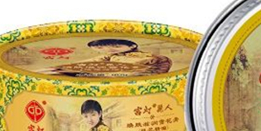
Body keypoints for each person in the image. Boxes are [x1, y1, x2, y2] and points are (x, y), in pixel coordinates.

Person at [39, 39, 172, 77]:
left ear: (132, 46)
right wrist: (58, 68)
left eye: (116, 46)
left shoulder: (152, 57)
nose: (110, 50)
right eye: (100, 48)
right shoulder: (111, 56)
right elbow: (92, 61)